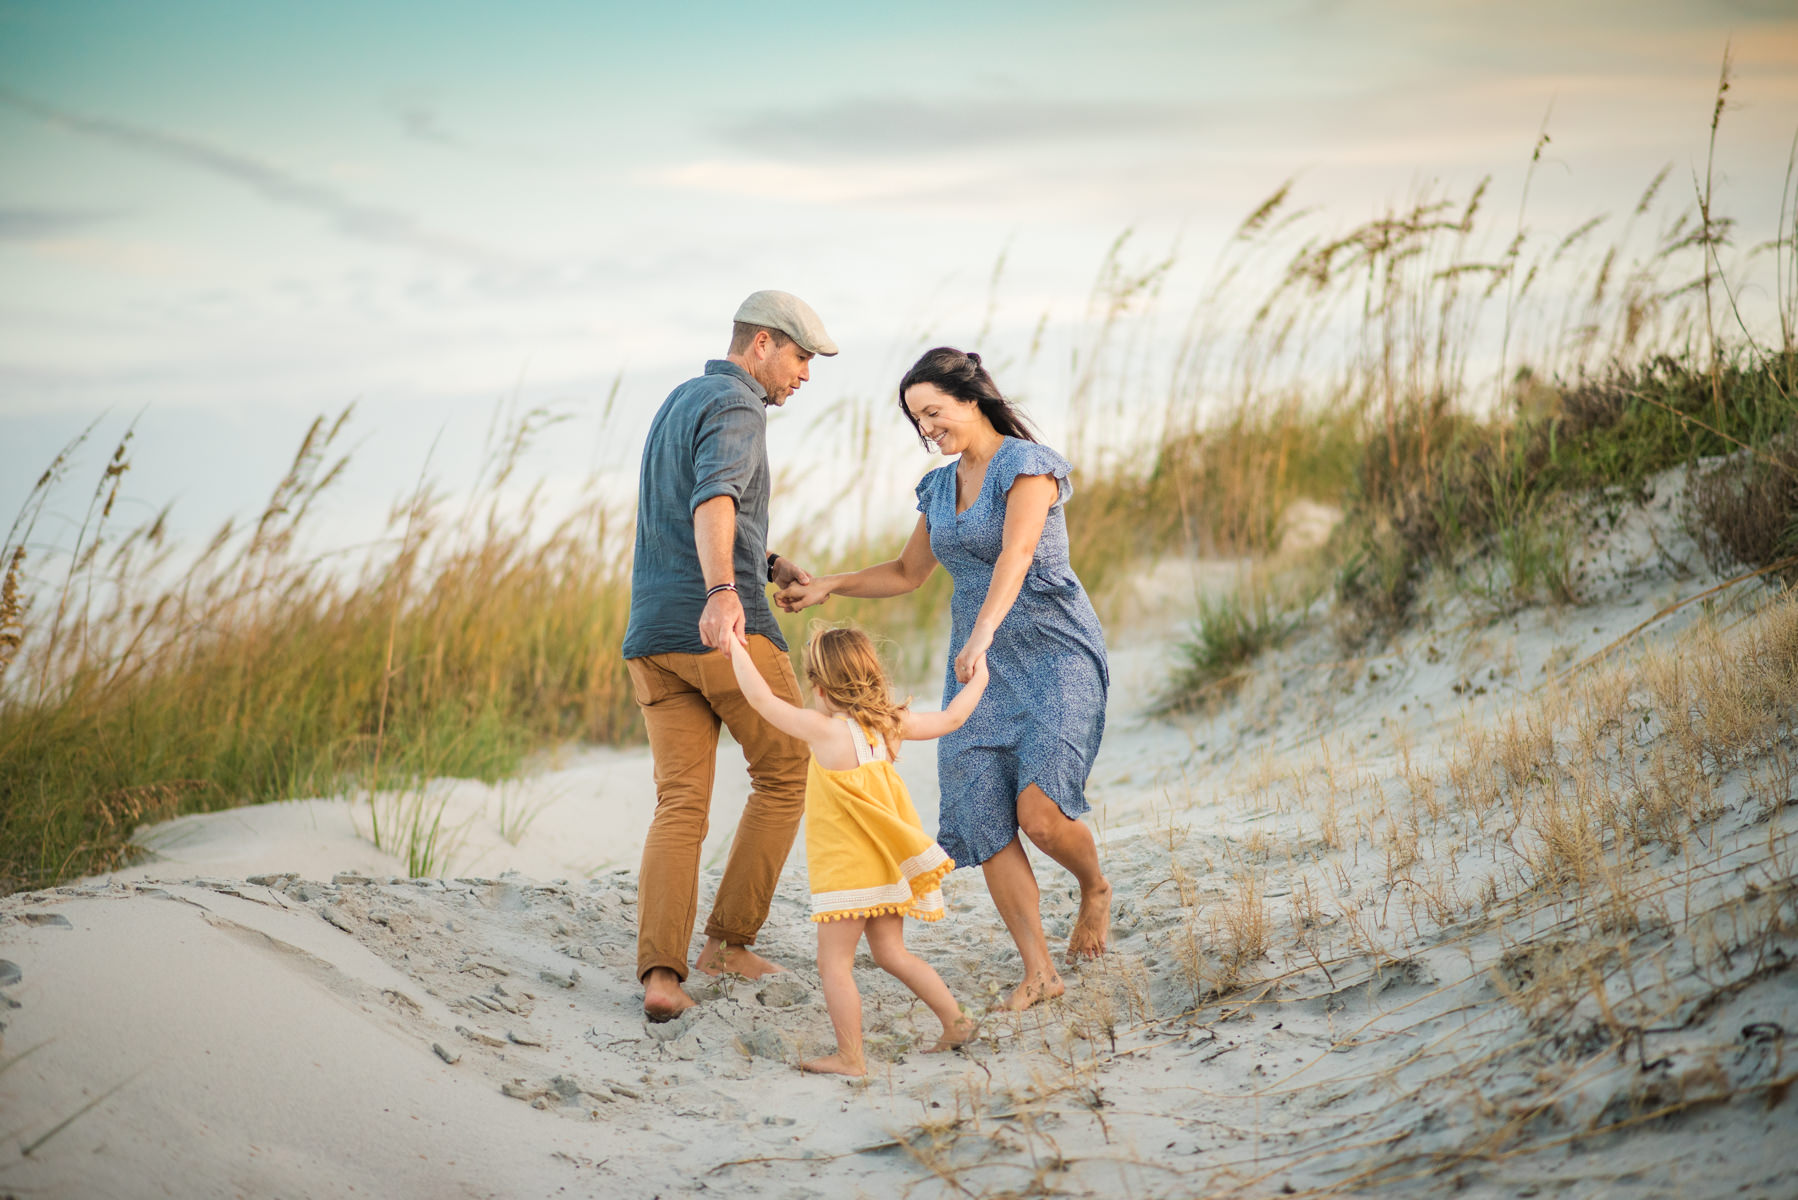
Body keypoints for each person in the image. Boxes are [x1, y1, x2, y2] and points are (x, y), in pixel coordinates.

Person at [777, 347, 1111, 1011]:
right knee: (986, 818)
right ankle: (1039, 970)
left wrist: (984, 633)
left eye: (934, 412)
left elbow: (1017, 556)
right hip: (979, 670)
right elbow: (907, 573)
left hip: (1052, 654)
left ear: (973, 397)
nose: (927, 428)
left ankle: (1094, 887)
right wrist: (830, 586)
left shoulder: (1028, 466)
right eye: (917, 420)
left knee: (1041, 814)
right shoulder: (939, 486)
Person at [621, 289, 838, 1023]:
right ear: (763, 345)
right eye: (802, 358)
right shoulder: (741, 405)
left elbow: (697, 505)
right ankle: (727, 944)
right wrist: (724, 589)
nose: (805, 375)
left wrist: (767, 563)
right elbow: (714, 500)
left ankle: (660, 975)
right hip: (719, 632)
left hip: (652, 638)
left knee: (680, 803)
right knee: (785, 771)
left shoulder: (682, 399)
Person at [724, 623, 987, 1075]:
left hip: (847, 873)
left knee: (834, 964)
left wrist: (733, 645)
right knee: (892, 954)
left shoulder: (823, 731)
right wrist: (979, 675)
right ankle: (956, 1021)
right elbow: (952, 719)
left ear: (820, 687)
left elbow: (761, 701)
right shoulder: (889, 726)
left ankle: (851, 1057)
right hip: (888, 867)